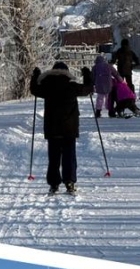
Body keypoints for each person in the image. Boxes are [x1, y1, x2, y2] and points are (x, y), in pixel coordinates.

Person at [29, 61, 93, 195]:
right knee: (69, 156)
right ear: (67, 73)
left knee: (54, 157)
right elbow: (88, 89)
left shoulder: (47, 86)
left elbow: (34, 89)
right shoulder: (72, 86)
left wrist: (36, 76)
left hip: (52, 129)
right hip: (69, 128)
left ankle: (54, 183)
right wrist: (87, 74)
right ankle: (69, 181)